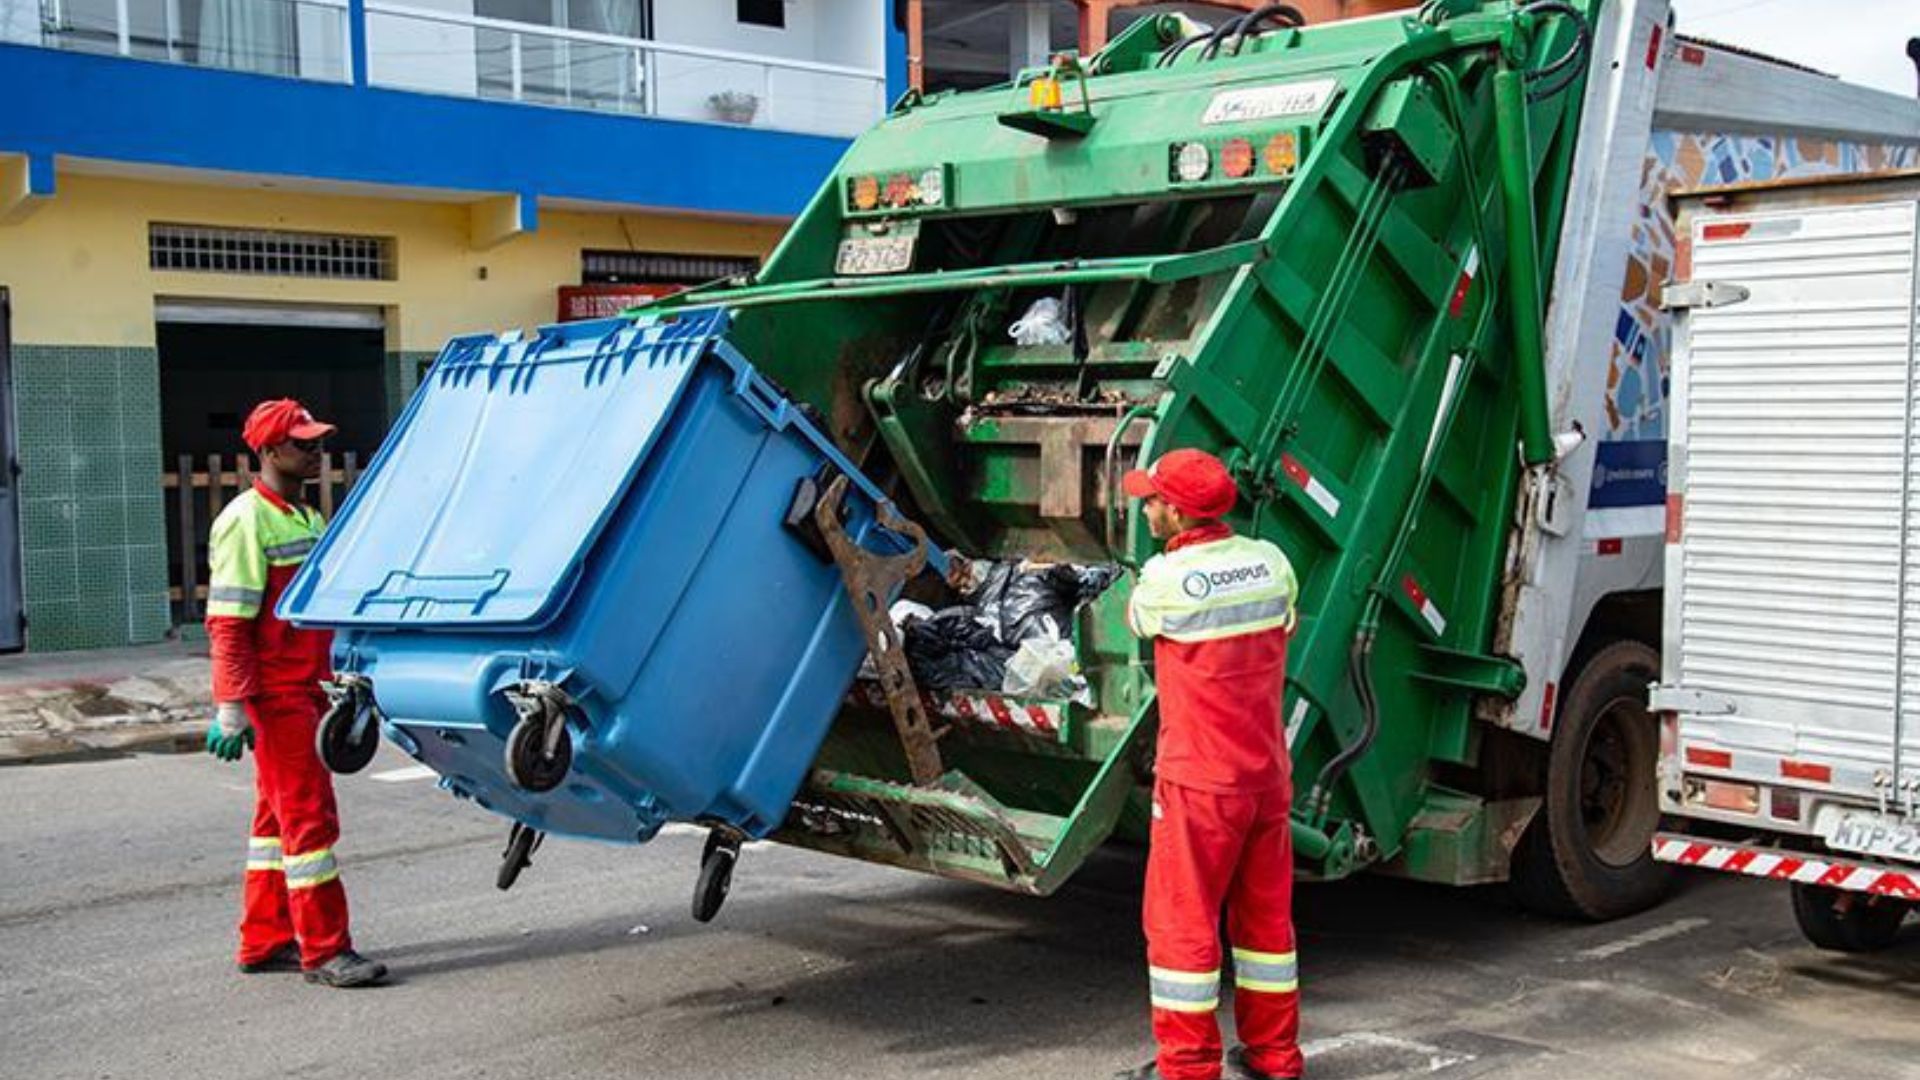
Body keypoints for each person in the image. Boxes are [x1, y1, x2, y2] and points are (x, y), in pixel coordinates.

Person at [1118, 448, 1302, 1080]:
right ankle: (1275, 1058)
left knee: (1181, 924)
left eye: (1153, 501)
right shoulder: (1271, 563)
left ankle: (1189, 1068)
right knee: (1265, 922)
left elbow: (1135, 621)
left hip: (1199, 780)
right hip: (1265, 775)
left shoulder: (1165, 581)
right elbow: (1287, 622)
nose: (1145, 508)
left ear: (1177, 512)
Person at [204, 399, 387, 988]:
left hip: (308, 690)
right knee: (309, 824)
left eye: (316, 444)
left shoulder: (305, 519)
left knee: (273, 825)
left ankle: (265, 940)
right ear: (268, 450)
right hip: (277, 696)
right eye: (303, 444)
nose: (315, 454)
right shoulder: (245, 520)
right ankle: (326, 951)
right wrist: (231, 706)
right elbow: (228, 621)